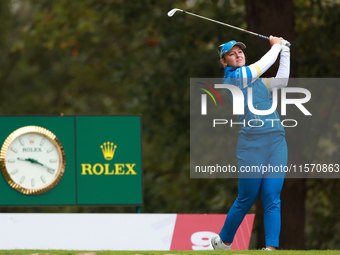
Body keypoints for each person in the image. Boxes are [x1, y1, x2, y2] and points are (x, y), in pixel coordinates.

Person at [211, 36, 290, 251]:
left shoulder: (255, 80)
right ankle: (224, 242)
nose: (238, 55)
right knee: (247, 197)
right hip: (251, 144)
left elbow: (281, 81)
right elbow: (258, 67)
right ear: (224, 62)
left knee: (272, 195)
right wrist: (275, 47)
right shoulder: (233, 79)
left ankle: (271, 248)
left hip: (276, 141)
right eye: (232, 53)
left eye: (240, 52)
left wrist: (285, 52)